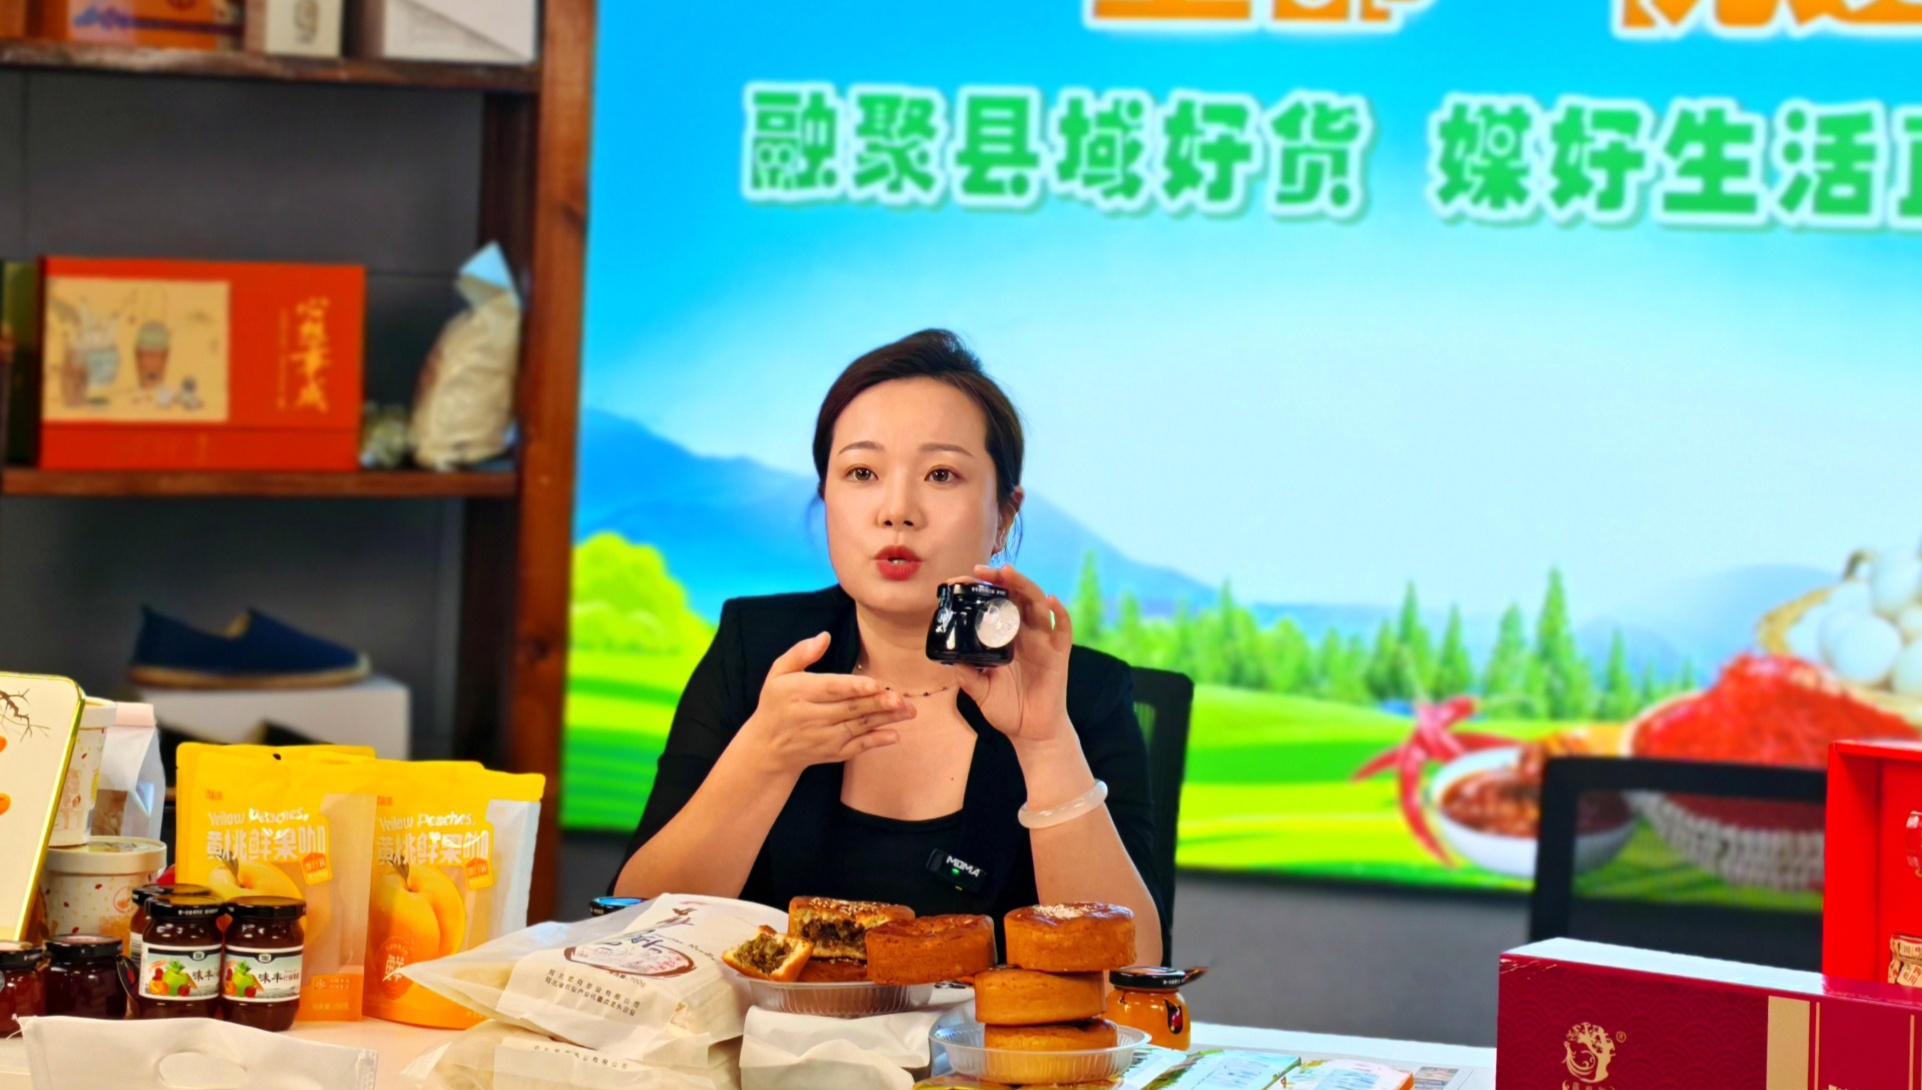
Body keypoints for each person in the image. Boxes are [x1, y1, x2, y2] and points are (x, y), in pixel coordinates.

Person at [613, 329, 1167, 964]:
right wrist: (764, 758)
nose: (897, 510)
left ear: (1004, 517)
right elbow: (630, 933)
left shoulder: (1080, 691)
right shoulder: (757, 648)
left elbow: (1135, 976)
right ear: (826, 497)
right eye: (862, 473)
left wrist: (1045, 745)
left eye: (941, 474)